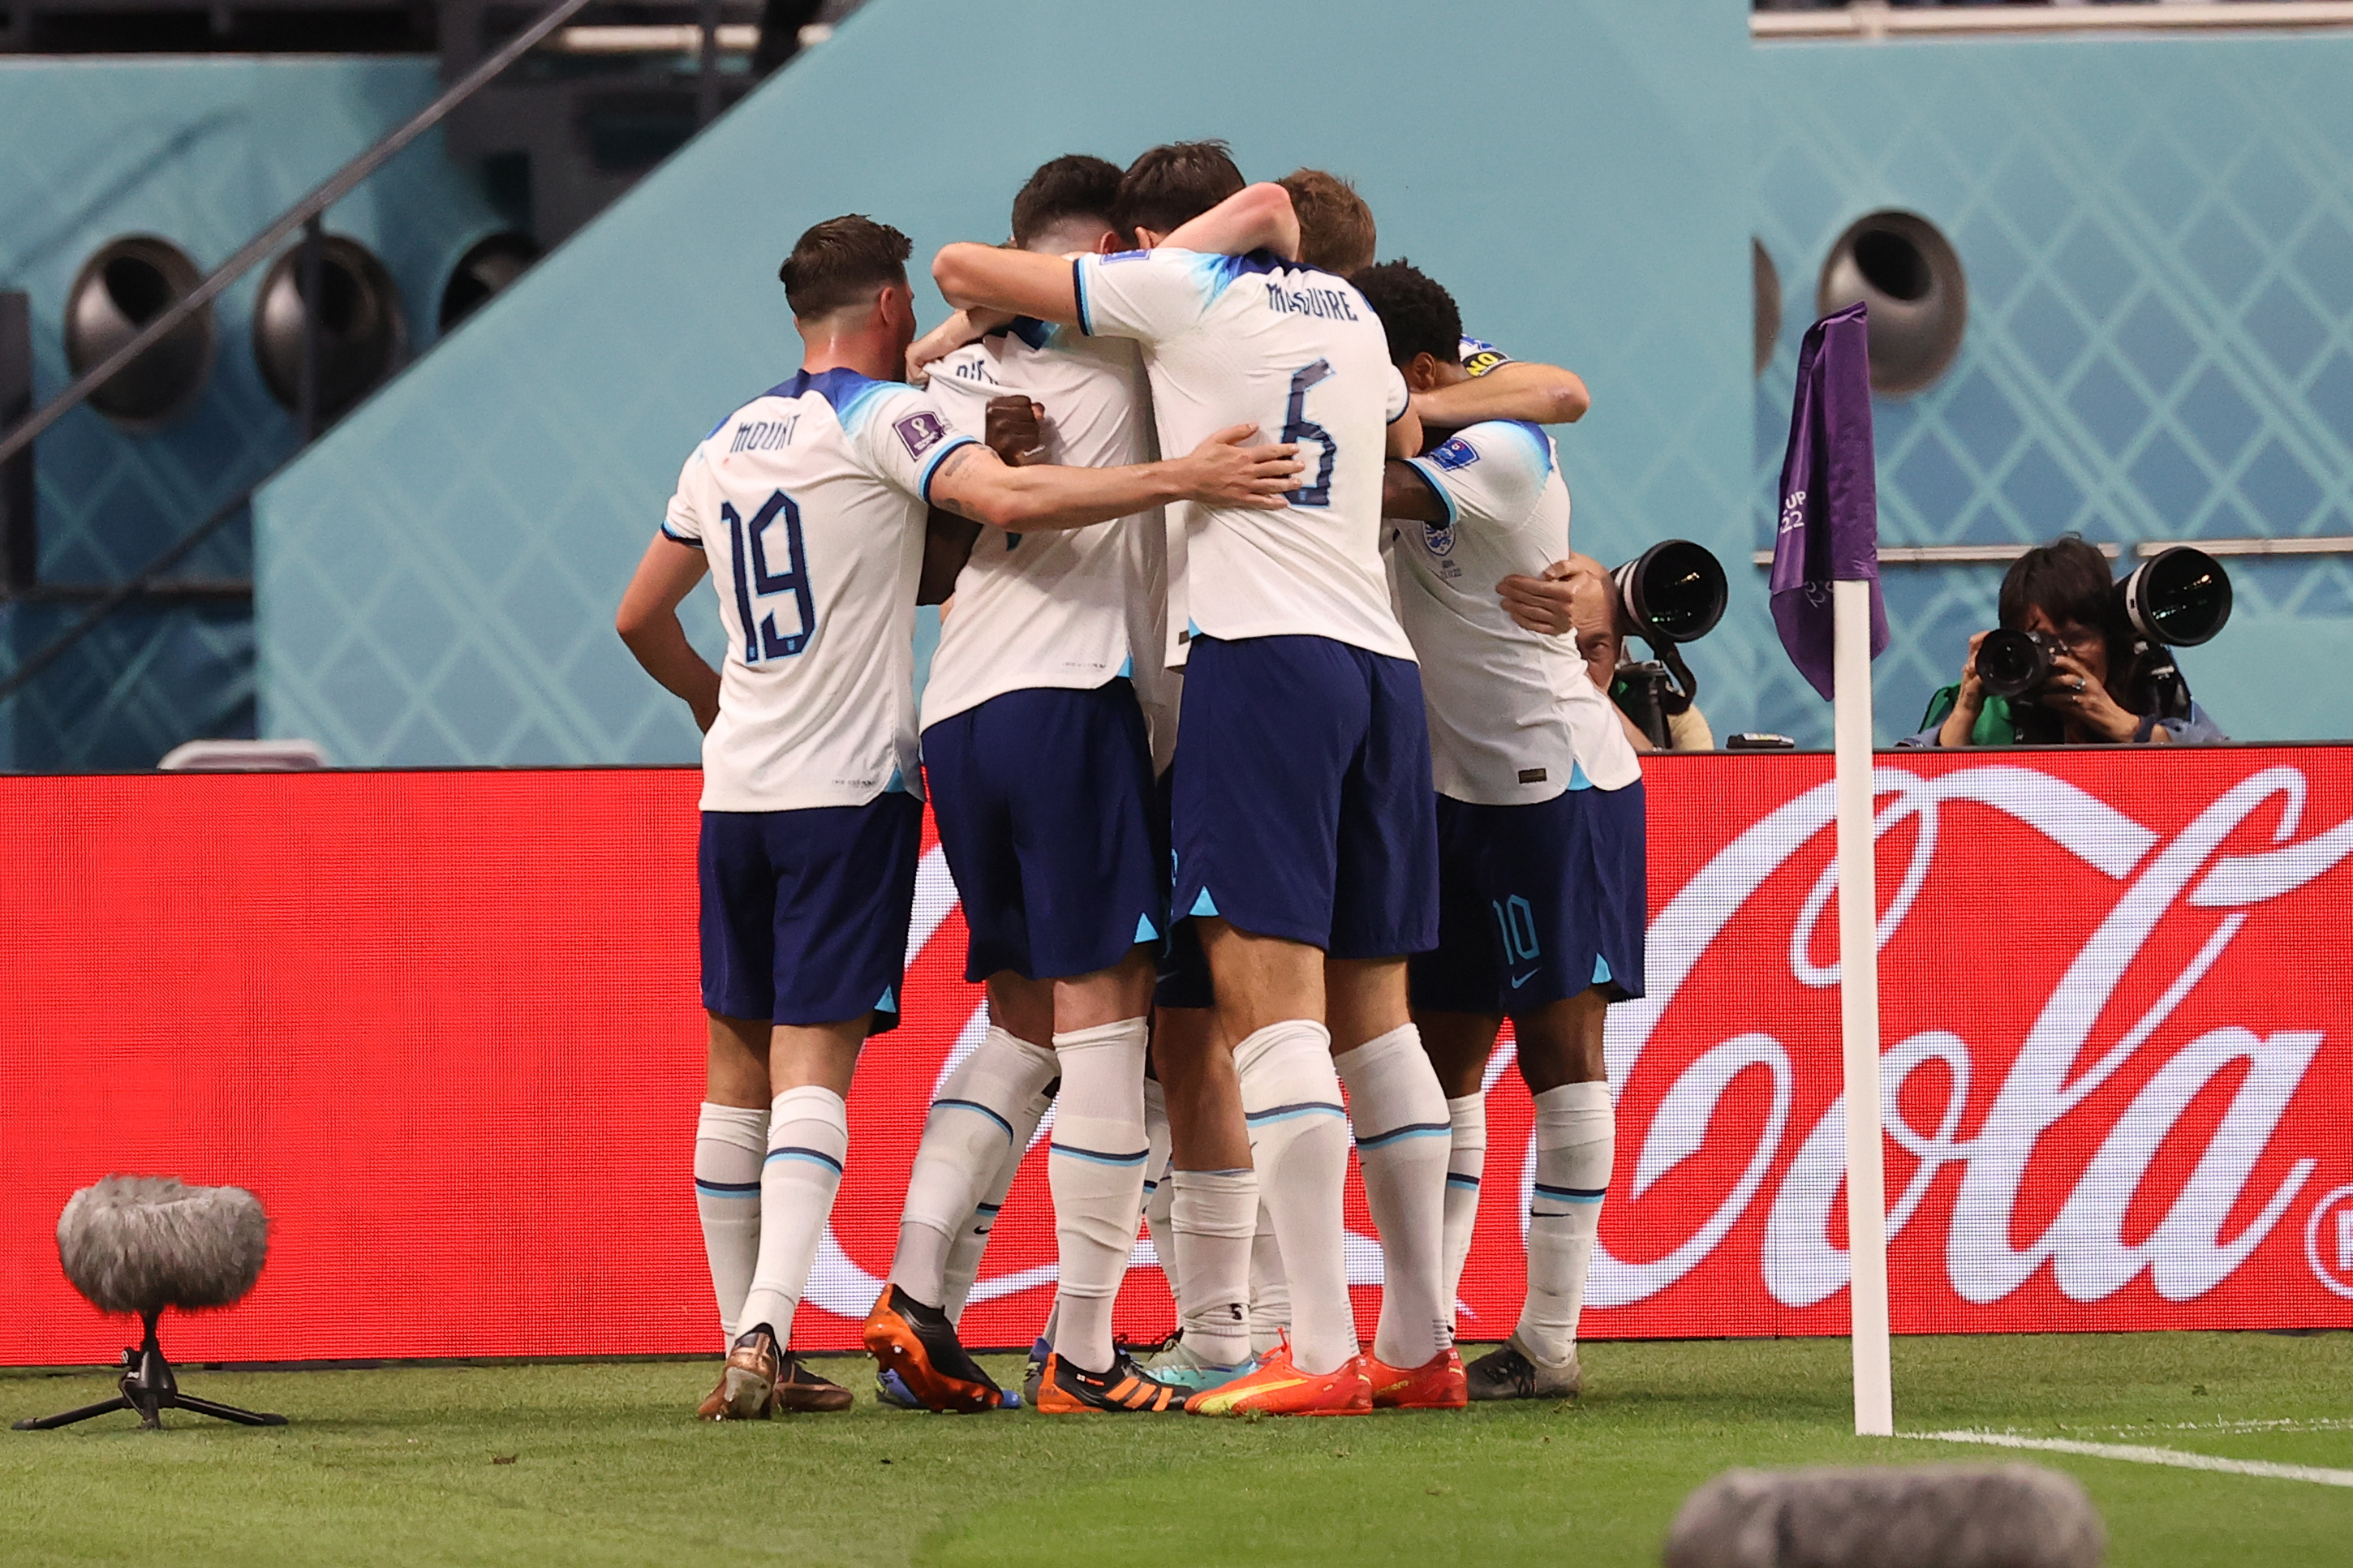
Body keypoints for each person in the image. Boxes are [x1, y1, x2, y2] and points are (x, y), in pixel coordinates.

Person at [613, 213, 1301, 1421]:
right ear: (887, 306)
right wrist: (1184, 474)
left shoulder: (724, 440)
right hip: (890, 769)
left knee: (783, 1062)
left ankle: (838, 1315)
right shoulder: (899, 414)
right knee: (1062, 1024)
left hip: (769, 781)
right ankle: (1038, 1345)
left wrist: (714, 706)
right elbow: (1005, 499)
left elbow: (638, 618)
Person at [934, 166, 1461, 1417]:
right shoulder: (1361, 327)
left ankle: (1320, 1349)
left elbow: (961, 266)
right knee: (1375, 1019)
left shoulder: (1178, 291)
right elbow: (1403, 436)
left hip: (1259, 662)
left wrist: (979, 333)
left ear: (1160, 237)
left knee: (1263, 1002)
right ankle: (1419, 1342)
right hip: (1379, 669)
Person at [864, 153, 1253, 1416]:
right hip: (1071, 699)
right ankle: (1084, 1351)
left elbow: (937, 357)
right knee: (1106, 1021)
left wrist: (964, 343)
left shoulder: (948, 375)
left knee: (1026, 1019)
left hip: (964, 714)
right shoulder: (1132, 349)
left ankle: (917, 1297)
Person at [1357, 260, 1645, 1401]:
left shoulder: (1502, 447)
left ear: (1416, 374)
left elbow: (1356, 490)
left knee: (1561, 1058)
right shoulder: (1461, 392)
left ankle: (1551, 1337)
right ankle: (1425, 1332)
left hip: (1551, 782)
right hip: (1443, 791)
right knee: (1440, 1065)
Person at [1902, 534, 2229, 748]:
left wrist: (2125, 726)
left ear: (2109, 640)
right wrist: (1966, 712)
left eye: (2077, 639)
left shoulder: (2151, 688)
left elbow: (2230, 767)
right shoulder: (1988, 706)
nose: (2059, 657)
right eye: (2040, 642)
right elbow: (1902, 787)